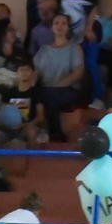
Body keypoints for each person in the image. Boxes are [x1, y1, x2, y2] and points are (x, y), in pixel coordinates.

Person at [33, 15, 84, 143]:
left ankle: (55, 136)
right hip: (46, 90)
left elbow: (78, 72)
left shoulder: (74, 48)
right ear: (52, 27)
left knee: (51, 95)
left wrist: (57, 86)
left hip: (67, 89)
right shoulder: (44, 50)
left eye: (63, 23)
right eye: (56, 23)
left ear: (68, 27)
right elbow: (35, 72)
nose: (60, 26)